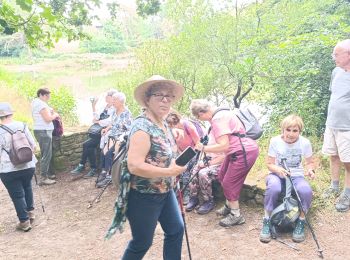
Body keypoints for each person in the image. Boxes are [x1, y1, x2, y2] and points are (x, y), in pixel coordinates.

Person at [106, 75, 186, 260]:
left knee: (176, 230)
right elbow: (135, 166)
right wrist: (170, 172)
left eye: (169, 96)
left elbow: (159, 147)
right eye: (159, 95)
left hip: (166, 191)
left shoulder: (162, 122)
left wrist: (172, 135)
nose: (165, 100)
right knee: (142, 242)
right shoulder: (141, 127)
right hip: (144, 196)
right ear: (147, 99)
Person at [190, 99, 259, 227]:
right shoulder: (223, 112)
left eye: (199, 117)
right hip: (236, 151)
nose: (202, 120)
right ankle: (229, 205)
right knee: (222, 175)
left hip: (242, 152)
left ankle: (236, 215)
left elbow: (223, 145)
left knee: (229, 183)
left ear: (201, 112)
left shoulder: (218, 119)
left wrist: (203, 148)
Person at [259, 115, 315, 243]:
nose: (291, 134)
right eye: (288, 130)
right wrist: (278, 170)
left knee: (305, 191)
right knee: (273, 188)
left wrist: (311, 170)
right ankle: (267, 220)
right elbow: (269, 163)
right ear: (282, 130)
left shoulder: (305, 142)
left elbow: (310, 162)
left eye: (295, 131)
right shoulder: (275, 141)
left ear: (299, 132)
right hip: (276, 174)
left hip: (296, 175)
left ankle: (301, 221)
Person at [322, 39, 350, 212]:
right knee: (333, 155)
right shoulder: (336, 72)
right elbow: (335, 96)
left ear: (348, 55)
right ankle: (334, 186)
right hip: (331, 123)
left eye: (337, 54)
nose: (334, 57)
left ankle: (347, 192)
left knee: (349, 162)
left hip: (347, 128)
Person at [0, 103, 37, 231]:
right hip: (28, 164)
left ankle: (24, 222)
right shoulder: (23, 125)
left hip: (8, 169)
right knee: (27, 187)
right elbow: (34, 146)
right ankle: (31, 213)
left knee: (17, 195)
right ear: (11, 113)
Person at [71, 89, 116, 178]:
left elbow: (110, 121)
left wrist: (98, 121)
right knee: (88, 146)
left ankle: (85, 166)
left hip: (105, 132)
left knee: (87, 145)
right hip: (98, 132)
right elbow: (95, 116)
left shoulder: (114, 108)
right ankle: (90, 168)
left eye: (107, 96)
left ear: (112, 97)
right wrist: (93, 105)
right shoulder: (104, 106)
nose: (105, 97)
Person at [96, 92, 133, 187]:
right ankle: (104, 172)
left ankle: (109, 176)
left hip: (120, 138)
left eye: (114, 100)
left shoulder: (126, 113)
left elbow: (129, 128)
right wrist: (106, 129)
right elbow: (112, 123)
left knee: (109, 154)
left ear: (121, 101)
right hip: (112, 136)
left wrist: (119, 133)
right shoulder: (114, 111)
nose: (112, 102)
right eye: (113, 100)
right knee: (103, 153)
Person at [166, 110, 201, 204]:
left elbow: (198, 143)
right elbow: (175, 145)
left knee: (186, 171)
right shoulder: (171, 129)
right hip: (181, 152)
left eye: (173, 125)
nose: (171, 127)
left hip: (193, 152)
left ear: (176, 122)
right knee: (175, 169)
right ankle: (177, 193)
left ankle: (187, 194)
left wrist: (190, 156)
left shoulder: (188, 126)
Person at [186, 131, 225, 214]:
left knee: (203, 173)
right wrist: (202, 162)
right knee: (195, 169)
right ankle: (193, 197)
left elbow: (224, 157)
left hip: (221, 165)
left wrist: (208, 164)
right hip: (210, 161)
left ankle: (209, 201)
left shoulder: (224, 136)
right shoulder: (211, 131)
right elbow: (207, 152)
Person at [31, 88, 59, 185]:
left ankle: (47, 174)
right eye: (47, 96)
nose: (49, 97)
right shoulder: (40, 104)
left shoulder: (37, 102)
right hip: (43, 131)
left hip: (41, 130)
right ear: (42, 95)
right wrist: (55, 115)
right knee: (46, 155)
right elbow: (47, 119)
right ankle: (43, 178)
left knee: (45, 154)